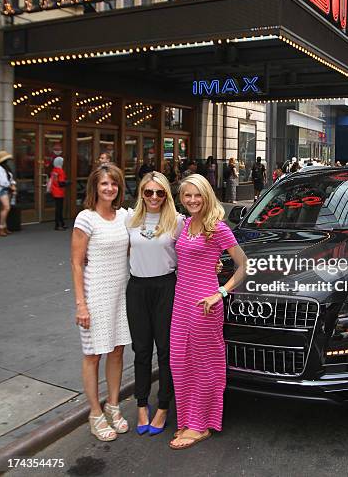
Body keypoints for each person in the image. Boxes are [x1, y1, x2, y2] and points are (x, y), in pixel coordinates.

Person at [169, 174, 247, 449]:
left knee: (204, 364)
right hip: (181, 302)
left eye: (197, 195)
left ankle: (200, 425)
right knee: (179, 361)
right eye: (187, 195)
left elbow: (243, 266)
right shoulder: (187, 223)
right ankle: (188, 418)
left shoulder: (217, 228)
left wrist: (221, 292)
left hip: (205, 305)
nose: (192, 200)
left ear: (207, 196)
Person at [71, 163, 131, 442]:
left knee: (117, 351)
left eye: (114, 184)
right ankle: (95, 413)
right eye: (104, 183)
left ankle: (113, 405)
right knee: (93, 355)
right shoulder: (86, 218)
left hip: (120, 294)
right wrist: (81, 304)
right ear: (95, 187)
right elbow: (75, 263)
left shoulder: (124, 217)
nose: (109, 188)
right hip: (95, 295)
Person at [125, 171, 184, 436]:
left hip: (166, 288)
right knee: (141, 350)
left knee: (165, 351)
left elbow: (191, 252)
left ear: (166, 195)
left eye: (160, 192)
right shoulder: (129, 219)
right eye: (148, 192)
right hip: (137, 288)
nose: (154, 197)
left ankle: (162, 405)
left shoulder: (177, 221)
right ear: (141, 193)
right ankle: (140, 404)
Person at [0, 151, 15, 237]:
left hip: (6, 190)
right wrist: (11, 185)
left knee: (3, 208)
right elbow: (3, 182)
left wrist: (13, 184)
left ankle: (4, 227)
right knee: (6, 207)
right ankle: (1, 227)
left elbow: (10, 178)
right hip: (2, 190)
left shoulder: (5, 168)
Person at [50, 156, 68, 230]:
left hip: (54, 190)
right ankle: (58, 225)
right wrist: (68, 183)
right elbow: (61, 183)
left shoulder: (54, 170)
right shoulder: (60, 171)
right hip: (59, 192)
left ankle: (61, 223)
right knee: (59, 209)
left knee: (58, 208)